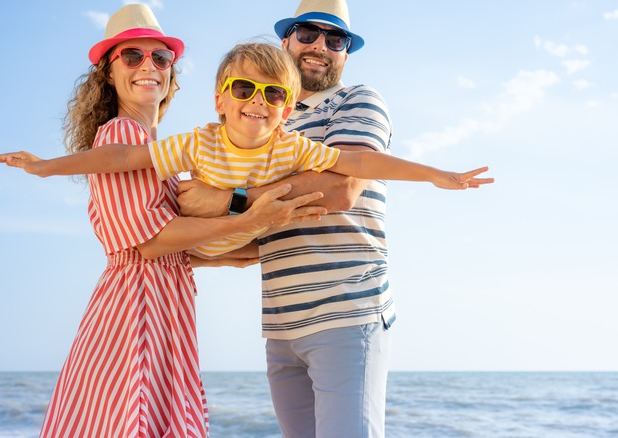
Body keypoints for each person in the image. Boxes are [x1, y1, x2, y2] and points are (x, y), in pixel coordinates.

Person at [0, 5, 328, 438]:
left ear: (172, 71)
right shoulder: (121, 135)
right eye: (131, 56)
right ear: (108, 73)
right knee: (133, 421)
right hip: (136, 308)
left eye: (161, 57)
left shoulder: (157, 149)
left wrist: (240, 246)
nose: (148, 66)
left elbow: (177, 249)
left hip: (159, 301)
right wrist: (245, 216)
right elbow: (150, 244)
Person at [175, 0, 461, 436]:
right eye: (308, 34)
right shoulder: (267, 121)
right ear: (286, 41)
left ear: (346, 52)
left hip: (347, 311)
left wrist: (224, 200)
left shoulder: (358, 100)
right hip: (281, 322)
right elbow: (270, 228)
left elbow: (341, 188)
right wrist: (200, 248)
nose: (320, 46)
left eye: (336, 39)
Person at [0, 43, 491, 260]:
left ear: (288, 108)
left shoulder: (291, 145)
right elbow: (124, 158)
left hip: (232, 251)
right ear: (219, 100)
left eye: (274, 94)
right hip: (193, 252)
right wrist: (46, 167)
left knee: (283, 225)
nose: (258, 102)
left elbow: (358, 162)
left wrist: (435, 175)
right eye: (244, 89)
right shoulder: (198, 142)